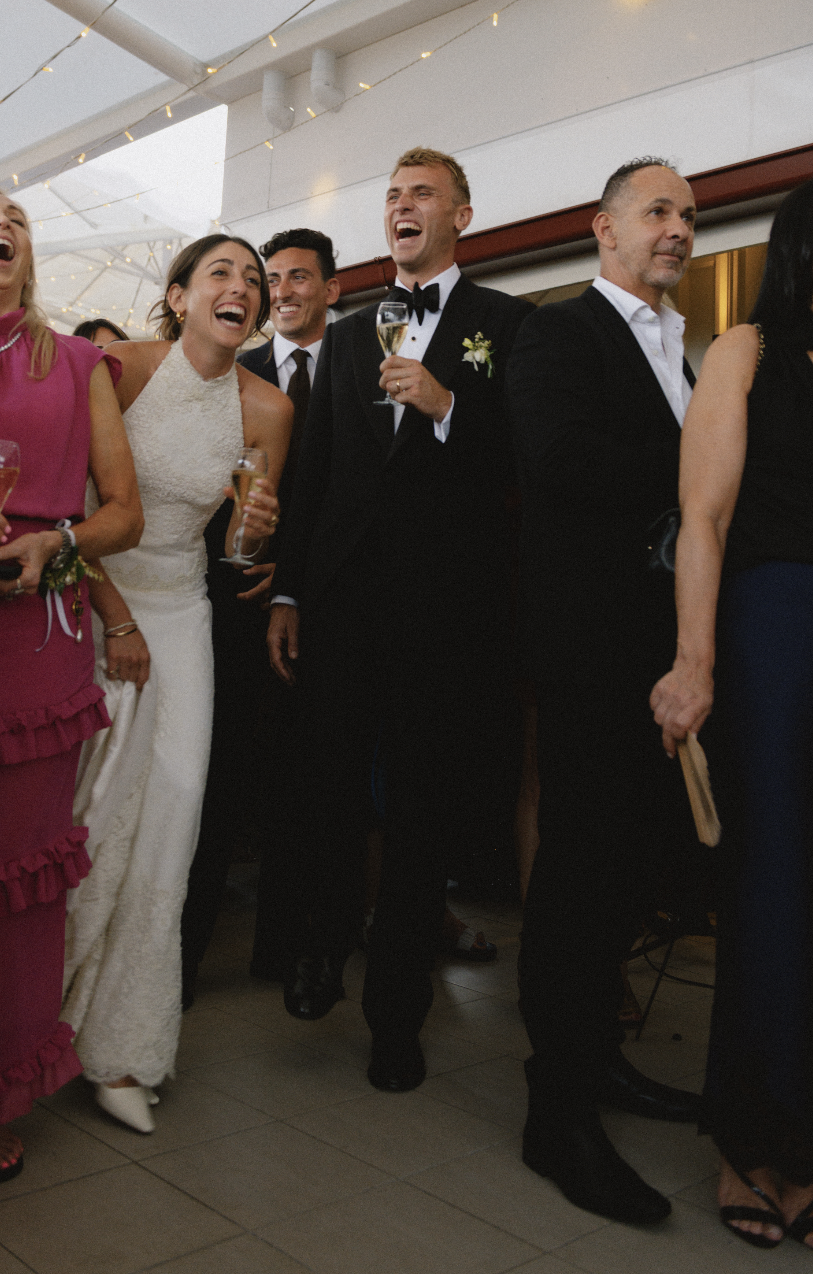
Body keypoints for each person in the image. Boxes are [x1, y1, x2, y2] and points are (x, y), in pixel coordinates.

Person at [267, 146, 530, 1092]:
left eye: (421, 194)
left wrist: (451, 404)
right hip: (340, 604)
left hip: (444, 613)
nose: (402, 206)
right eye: (392, 196)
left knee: (420, 812)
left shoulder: (505, 322)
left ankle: (396, 1016)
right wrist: (291, 590)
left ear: (462, 212)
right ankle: (319, 949)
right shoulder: (344, 338)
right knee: (327, 790)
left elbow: (524, 461)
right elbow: (315, 477)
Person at [0, 187, 143, 1184]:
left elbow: (124, 512)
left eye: (19, 218)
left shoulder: (79, 361)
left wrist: (62, 541)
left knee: (12, 893)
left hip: (35, 645)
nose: (6, 224)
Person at [506, 157, 705, 1227]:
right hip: (587, 649)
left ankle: (600, 1062)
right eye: (660, 211)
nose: (679, 229)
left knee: (632, 867)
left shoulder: (693, 350)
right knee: (580, 870)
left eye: (690, 216)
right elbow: (560, 461)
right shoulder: (557, 333)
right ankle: (556, 1106)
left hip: (668, 652)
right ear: (605, 228)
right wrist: (700, 464)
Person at [62, 234, 291, 1133]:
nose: (243, 288)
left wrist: (258, 530)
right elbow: (64, 502)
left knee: (177, 808)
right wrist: (112, 615)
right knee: (93, 805)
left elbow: (239, 551)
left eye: (255, 280)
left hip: (185, 613)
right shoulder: (119, 369)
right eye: (223, 273)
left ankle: (122, 1045)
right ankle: (36, 1016)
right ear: (180, 293)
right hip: (91, 602)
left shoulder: (268, 410)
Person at [651, 178, 813, 1250]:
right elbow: (702, 520)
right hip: (775, 625)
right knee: (774, 886)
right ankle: (749, 1141)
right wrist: (694, 659)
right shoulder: (746, 351)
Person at [181, 227, 341, 1001]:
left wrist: (297, 572)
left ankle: (285, 946)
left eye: (294, 278)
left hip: (324, 604)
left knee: (304, 781)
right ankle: (184, 948)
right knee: (222, 774)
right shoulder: (232, 370)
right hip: (227, 600)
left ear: (330, 289)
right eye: (268, 278)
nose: (279, 291)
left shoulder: (362, 367)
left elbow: (349, 494)